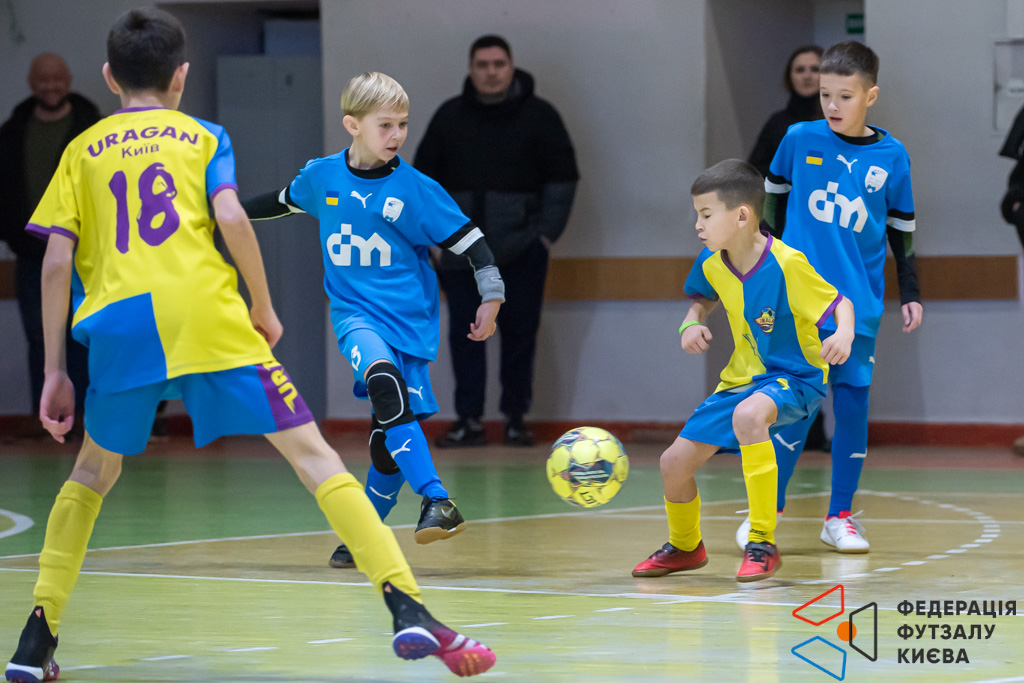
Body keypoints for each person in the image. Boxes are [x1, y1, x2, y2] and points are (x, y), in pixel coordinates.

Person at [4, 10, 495, 682]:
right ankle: (407, 607)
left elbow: (56, 261)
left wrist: (55, 370)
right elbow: (232, 215)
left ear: (109, 76)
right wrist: (262, 306)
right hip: (207, 317)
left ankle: (35, 639)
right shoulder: (203, 136)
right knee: (315, 458)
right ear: (181, 76)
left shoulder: (80, 149)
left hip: (119, 323)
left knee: (91, 473)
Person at [242, 72, 504, 570]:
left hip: (410, 323)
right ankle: (437, 499)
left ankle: (363, 534)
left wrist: (491, 297)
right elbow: (279, 202)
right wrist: (219, 213)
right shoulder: (322, 178)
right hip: (355, 315)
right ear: (352, 125)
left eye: (402, 124)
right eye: (385, 125)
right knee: (384, 385)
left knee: (387, 442)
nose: (397, 134)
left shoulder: (417, 189)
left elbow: (473, 245)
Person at [631, 159, 854, 583]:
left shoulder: (787, 264)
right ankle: (685, 546)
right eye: (696, 214)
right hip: (742, 379)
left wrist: (843, 333)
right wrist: (690, 323)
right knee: (673, 462)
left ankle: (762, 542)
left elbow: (840, 303)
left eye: (706, 214)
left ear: (742, 216)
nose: (697, 225)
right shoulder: (712, 261)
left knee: (749, 416)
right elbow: (702, 297)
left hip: (797, 377)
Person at [739, 40, 923, 554]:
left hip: (858, 308)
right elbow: (769, 207)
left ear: (871, 96)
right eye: (825, 95)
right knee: (794, 408)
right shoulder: (798, 138)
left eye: (845, 96)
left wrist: (911, 290)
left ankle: (839, 516)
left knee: (853, 408)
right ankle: (767, 512)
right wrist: (764, 270)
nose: (833, 105)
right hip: (799, 305)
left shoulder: (892, 156)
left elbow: (902, 230)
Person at [415, 34, 579, 447]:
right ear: (471, 70)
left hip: (522, 251)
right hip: (460, 255)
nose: (491, 72)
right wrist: (432, 241)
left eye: (499, 64)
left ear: (511, 67)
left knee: (520, 335)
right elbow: (420, 184)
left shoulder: (540, 117)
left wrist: (545, 236)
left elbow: (563, 180)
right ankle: (468, 421)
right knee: (465, 336)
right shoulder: (449, 117)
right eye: (483, 65)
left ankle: (516, 419)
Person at [0, 53, 99, 431]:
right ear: (31, 83)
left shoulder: (92, 129)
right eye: (43, 79)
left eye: (57, 79)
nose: (51, 86)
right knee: (39, 338)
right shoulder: (12, 132)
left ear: (68, 80)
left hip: (83, 254)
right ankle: (47, 421)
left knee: (83, 335)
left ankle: (86, 421)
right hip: (30, 255)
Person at [748, 45, 831, 454]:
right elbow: (755, 177)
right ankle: (775, 426)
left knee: (824, 338)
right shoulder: (779, 125)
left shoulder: (834, 125)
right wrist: (764, 232)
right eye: (800, 68)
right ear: (790, 76)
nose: (808, 75)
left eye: (815, 68)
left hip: (825, 245)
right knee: (783, 337)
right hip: (781, 245)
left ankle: (817, 429)